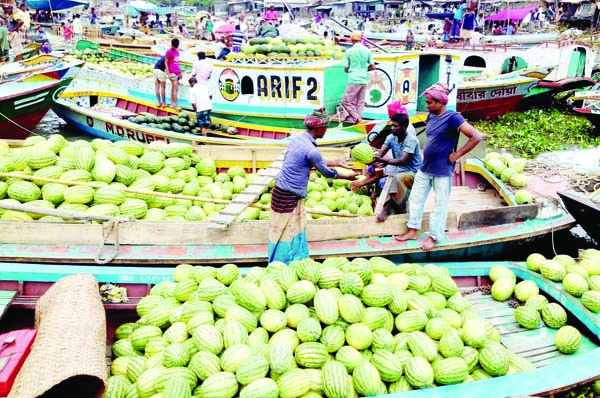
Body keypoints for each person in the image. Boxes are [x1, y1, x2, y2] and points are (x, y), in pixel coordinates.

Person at [396, 83, 481, 250]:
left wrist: (457, 155)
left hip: (442, 170)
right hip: (425, 167)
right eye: (426, 102)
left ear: (440, 102)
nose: (427, 106)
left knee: (439, 205)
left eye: (429, 103)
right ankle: (412, 230)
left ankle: (434, 237)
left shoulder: (453, 118)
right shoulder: (431, 116)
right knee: (415, 199)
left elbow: (475, 137)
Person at [268, 108, 356, 263]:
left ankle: (287, 261)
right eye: (326, 128)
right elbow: (327, 173)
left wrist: (336, 162)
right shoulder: (311, 149)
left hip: (280, 190)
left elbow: (311, 159)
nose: (326, 131)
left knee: (280, 228)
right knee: (288, 230)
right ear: (319, 128)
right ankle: (283, 263)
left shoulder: (298, 140)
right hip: (289, 194)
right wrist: (348, 176)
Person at [356, 112, 421, 221]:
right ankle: (395, 214)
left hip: (414, 171)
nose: (392, 128)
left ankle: (386, 209)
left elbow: (402, 161)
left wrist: (386, 161)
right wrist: (369, 160)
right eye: (392, 125)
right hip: (399, 170)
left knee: (398, 179)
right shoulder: (391, 137)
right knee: (395, 180)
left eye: (395, 126)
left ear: (404, 127)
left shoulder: (411, 140)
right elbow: (380, 154)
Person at [340, 31, 375, 124]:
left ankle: (357, 118)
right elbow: (373, 66)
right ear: (360, 39)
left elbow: (346, 69)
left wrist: (352, 69)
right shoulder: (367, 51)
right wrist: (363, 69)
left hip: (353, 79)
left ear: (352, 40)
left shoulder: (349, 52)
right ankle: (359, 119)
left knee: (346, 101)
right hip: (363, 79)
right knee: (360, 102)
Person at [165, 38, 181, 109]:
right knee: (175, 87)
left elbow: (177, 62)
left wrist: (180, 72)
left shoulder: (177, 52)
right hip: (172, 71)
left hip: (176, 71)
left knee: (175, 88)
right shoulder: (169, 51)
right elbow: (166, 62)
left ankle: (172, 103)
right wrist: (168, 73)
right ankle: (176, 104)